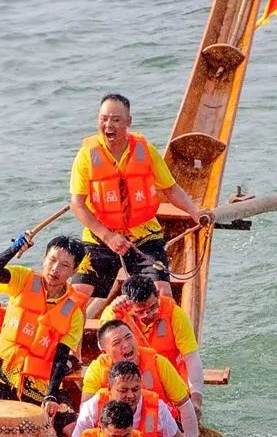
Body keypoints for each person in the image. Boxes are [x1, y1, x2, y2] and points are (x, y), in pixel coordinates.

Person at [68, 92, 207, 315]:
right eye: (103, 118)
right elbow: (77, 204)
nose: (108, 125)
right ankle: (71, 348)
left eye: (116, 119)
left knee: (162, 294)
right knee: (76, 296)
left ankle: (161, 344)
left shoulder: (146, 151)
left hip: (144, 238)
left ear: (129, 122)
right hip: (101, 238)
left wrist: (195, 212)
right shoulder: (87, 155)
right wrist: (108, 237)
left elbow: (170, 189)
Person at [82, 320, 204, 437]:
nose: (126, 345)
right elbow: (84, 414)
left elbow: (185, 405)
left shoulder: (158, 363)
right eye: (117, 342)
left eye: (128, 337)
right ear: (104, 352)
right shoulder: (96, 371)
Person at [0, 235, 85, 409]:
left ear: (74, 271)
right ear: (44, 259)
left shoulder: (74, 313)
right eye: (52, 260)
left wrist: (51, 394)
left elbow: (60, 357)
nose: (55, 269)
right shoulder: (23, 279)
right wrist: (14, 249)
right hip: (3, 373)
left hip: (38, 386)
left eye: (65, 265)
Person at [102, 274, 204, 413]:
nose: (149, 315)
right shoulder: (115, 312)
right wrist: (115, 317)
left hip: (169, 383)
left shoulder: (175, 314)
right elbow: (102, 346)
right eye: (141, 312)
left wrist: (196, 400)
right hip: (127, 384)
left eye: (153, 307)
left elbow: (191, 358)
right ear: (129, 306)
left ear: (157, 295)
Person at [71, 358, 186, 437]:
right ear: (110, 389)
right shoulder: (93, 407)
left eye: (135, 389)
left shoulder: (157, 407)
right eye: (123, 390)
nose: (131, 395)